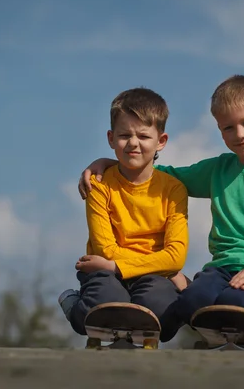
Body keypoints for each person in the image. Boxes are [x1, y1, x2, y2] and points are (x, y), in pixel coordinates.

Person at [78, 75, 244, 341]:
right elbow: (156, 175)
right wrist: (110, 163)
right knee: (189, 303)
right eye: (227, 127)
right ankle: (224, 326)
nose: (239, 134)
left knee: (235, 303)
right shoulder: (218, 170)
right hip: (222, 271)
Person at [59, 87, 190, 343]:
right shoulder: (98, 184)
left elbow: (177, 255)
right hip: (106, 271)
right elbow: (105, 250)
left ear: (161, 141)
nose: (133, 143)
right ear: (110, 138)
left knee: (163, 313)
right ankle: (74, 306)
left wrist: (166, 266)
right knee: (103, 307)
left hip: (151, 277)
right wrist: (165, 266)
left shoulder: (174, 189)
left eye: (143, 135)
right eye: (124, 135)